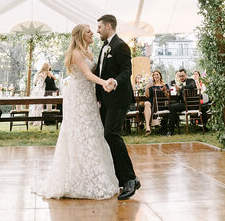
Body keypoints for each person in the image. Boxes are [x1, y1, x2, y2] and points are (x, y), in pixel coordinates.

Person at [37, 24, 119, 200]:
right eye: (89, 31)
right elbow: (88, 75)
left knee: (93, 132)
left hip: (89, 96)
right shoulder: (76, 53)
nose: (93, 33)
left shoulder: (90, 51)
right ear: (81, 35)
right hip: (77, 97)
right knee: (80, 133)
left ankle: (96, 174)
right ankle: (77, 179)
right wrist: (104, 83)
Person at [95, 14, 140, 200]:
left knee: (111, 134)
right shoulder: (104, 47)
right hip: (106, 100)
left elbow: (127, 71)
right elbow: (100, 72)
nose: (97, 30)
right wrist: (98, 97)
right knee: (108, 136)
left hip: (119, 98)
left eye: (99, 27)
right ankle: (122, 178)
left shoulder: (121, 45)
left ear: (108, 26)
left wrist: (115, 81)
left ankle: (130, 179)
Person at [167, 68, 197, 135]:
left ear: (186, 75)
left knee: (172, 107)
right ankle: (171, 129)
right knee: (171, 106)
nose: (181, 77)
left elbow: (192, 86)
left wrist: (181, 88)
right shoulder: (180, 84)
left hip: (191, 104)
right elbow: (178, 98)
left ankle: (171, 130)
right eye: (180, 76)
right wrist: (178, 92)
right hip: (184, 104)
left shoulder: (191, 80)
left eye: (183, 76)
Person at [144, 70, 168, 135]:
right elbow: (147, 96)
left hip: (161, 104)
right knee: (146, 103)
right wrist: (147, 88)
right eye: (154, 75)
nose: (156, 76)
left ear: (160, 76)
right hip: (152, 103)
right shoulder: (151, 86)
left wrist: (164, 91)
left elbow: (167, 96)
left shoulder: (165, 85)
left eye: (157, 74)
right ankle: (148, 127)